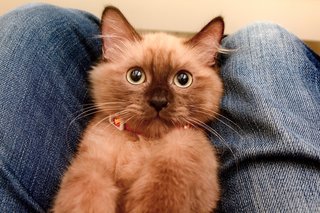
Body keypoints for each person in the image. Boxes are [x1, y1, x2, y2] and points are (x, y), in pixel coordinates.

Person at [0, 3, 319, 212]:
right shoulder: (98, 132)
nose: (158, 99)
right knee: (31, 19)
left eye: (182, 79)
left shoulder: (194, 141)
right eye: (136, 75)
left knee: (264, 37)